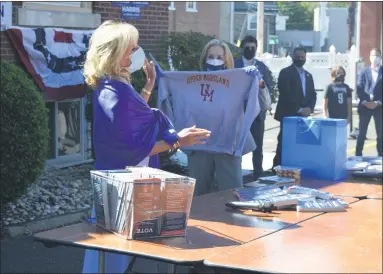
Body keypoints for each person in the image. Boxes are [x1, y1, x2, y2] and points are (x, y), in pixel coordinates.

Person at [81, 20, 211, 273]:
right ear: (116, 54)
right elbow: (132, 149)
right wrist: (177, 141)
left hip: (118, 185)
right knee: (118, 257)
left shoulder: (111, 86)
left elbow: (129, 124)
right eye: (132, 48)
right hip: (123, 190)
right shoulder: (115, 92)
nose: (137, 52)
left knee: (111, 256)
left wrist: (147, 88)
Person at [234, 35, 272, 180]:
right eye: (247, 48)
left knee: (258, 144)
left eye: (253, 48)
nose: (250, 50)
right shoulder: (235, 63)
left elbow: (267, 86)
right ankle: (237, 174)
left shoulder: (261, 66)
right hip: (238, 111)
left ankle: (258, 174)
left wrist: (260, 83)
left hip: (257, 112)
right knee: (238, 144)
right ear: (242, 49)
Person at [273, 47, 317, 168]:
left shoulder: (308, 75)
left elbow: (313, 94)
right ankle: (277, 168)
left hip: (304, 117)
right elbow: (285, 93)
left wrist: (309, 108)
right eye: (298, 57)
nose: (300, 59)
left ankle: (297, 168)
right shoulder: (285, 73)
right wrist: (299, 109)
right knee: (284, 143)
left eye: (302, 57)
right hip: (288, 114)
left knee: (301, 144)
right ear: (293, 57)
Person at [355, 48, 382, 156]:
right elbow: (359, 88)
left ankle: (380, 155)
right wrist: (365, 101)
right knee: (361, 133)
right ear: (369, 57)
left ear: (380, 57)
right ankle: (358, 154)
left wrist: (378, 102)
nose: (375, 57)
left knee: (380, 134)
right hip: (365, 106)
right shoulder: (363, 71)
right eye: (372, 55)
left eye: (377, 55)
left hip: (379, 107)